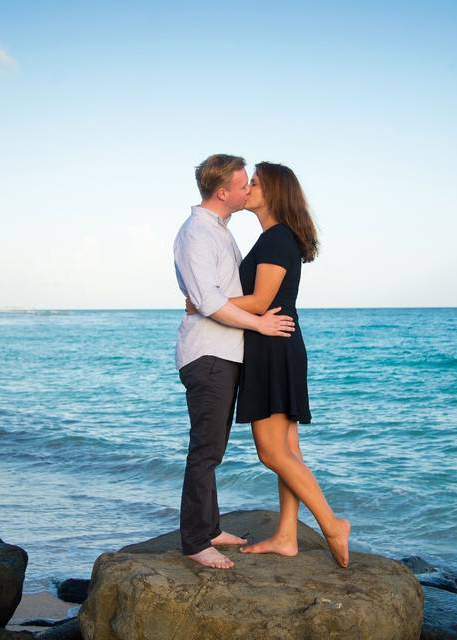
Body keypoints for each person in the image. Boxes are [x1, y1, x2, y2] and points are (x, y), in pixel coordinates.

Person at [188, 161, 351, 568]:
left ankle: (331, 524)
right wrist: (211, 303)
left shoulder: (277, 238)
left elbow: (261, 302)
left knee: (272, 453)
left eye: (255, 183)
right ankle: (287, 536)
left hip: (272, 345)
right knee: (288, 450)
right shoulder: (274, 238)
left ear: (274, 192)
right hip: (275, 343)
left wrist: (203, 304)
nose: (249, 188)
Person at [173, 154, 296, 570]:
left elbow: (214, 298)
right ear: (223, 192)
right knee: (205, 451)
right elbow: (208, 302)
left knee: (215, 449)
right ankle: (194, 541)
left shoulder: (221, 232)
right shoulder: (196, 234)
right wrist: (260, 324)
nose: (248, 190)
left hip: (226, 352)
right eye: (244, 184)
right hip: (208, 353)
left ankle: (208, 527)